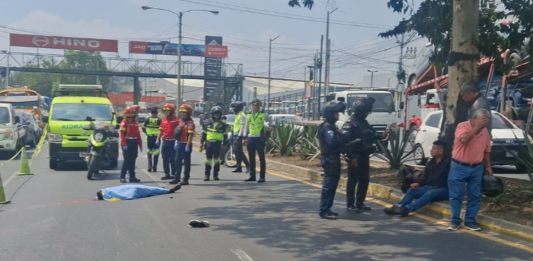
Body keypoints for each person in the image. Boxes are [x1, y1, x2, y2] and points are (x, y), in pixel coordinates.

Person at [447, 109, 492, 231]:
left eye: (487, 120)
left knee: (475, 195)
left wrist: (488, 166)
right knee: (456, 195)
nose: (486, 122)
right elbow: (464, 139)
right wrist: (477, 128)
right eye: (483, 119)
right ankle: (455, 221)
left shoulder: (485, 131)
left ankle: (470, 221)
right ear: (474, 118)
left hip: (476, 167)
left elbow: (486, 150)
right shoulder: (462, 126)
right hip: (459, 166)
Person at [384, 140, 450, 216]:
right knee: (412, 190)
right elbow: (425, 178)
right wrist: (418, 183)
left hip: (444, 189)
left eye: (434, 148)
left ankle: (407, 209)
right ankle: (398, 206)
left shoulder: (448, 163)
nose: (431, 150)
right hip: (429, 187)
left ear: (440, 151)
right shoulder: (430, 163)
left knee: (431, 193)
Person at [342, 97, 379, 212]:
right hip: (355, 156)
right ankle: (350, 204)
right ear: (361, 111)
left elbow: (371, 134)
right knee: (353, 181)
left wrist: (382, 135)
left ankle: (360, 203)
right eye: (366, 111)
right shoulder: (350, 124)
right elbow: (346, 143)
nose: (368, 114)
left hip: (364, 155)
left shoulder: (364, 122)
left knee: (364, 180)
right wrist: (351, 157)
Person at [318, 101, 347, 219]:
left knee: (333, 185)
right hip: (329, 159)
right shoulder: (327, 128)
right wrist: (344, 137)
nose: (338, 116)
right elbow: (333, 142)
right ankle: (324, 210)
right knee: (328, 185)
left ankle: (328, 208)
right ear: (330, 114)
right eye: (336, 113)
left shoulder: (331, 127)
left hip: (333, 158)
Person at [170, 104, 195, 185]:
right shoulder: (180, 121)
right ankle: (176, 178)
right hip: (179, 143)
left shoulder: (190, 122)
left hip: (186, 144)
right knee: (177, 161)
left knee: (186, 162)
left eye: (184, 112)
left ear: (188, 113)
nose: (182, 114)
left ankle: (185, 179)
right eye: (181, 112)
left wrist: (188, 145)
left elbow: (190, 134)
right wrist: (176, 142)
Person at [201, 106, 228, 181]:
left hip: (218, 144)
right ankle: (207, 175)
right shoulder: (207, 123)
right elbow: (204, 134)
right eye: (215, 114)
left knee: (216, 160)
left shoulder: (223, 124)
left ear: (220, 114)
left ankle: (215, 175)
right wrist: (201, 142)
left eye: (218, 114)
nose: (216, 115)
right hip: (209, 143)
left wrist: (225, 143)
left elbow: (225, 135)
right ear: (212, 114)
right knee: (208, 160)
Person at [244, 99, 268, 183]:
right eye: (254, 105)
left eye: (257, 105)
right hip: (251, 138)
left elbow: (267, 123)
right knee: (251, 158)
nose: (255, 107)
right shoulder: (248, 115)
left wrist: (269, 127)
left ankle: (262, 177)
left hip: (259, 138)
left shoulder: (263, 114)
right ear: (251, 106)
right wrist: (244, 138)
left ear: (260, 106)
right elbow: (246, 127)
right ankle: (252, 176)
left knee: (262, 158)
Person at [119, 105, 143, 183]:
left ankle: (132, 177)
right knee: (127, 160)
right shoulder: (124, 123)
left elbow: (138, 134)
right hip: (127, 142)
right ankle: (122, 176)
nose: (131, 117)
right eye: (130, 115)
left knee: (133, 160)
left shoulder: (135, 123)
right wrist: (124, 144)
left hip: (134, 142)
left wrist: (140, 144)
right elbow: (122, 135)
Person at [158, 103, 180, 180]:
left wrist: (178, 141)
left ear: (171, 111)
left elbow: (180, 131)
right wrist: (158, 139)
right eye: (165, 111)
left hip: (173, 142)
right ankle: (166, 173)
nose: (166, 112)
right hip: (165, 141)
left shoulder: (176, 120)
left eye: (168, 111)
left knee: (173, 158)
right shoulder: (164, 119)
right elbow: (161, 130)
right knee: (165, 158)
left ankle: (174, 173)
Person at [96, 184, 181, 201]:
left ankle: (162, 190)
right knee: (146, 190)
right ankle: (167, 191)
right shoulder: (107, 192)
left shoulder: (107, 191)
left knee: (147, 190)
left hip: (128, 188)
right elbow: (122, 195)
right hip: (131, 190)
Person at [230, 101, 250, 173]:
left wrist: (240, 136)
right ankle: (239, 167)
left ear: (238, 107)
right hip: (235, 135)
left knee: (239, 152)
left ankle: (248, 166)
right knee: (236, 152)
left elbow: (242, 126)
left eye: (234, 107)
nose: (233, 109)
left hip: (239, 135)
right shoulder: (238, 115)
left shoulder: (242, 115)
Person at [143, 107, 161, 172]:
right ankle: (154, 167)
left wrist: (147, 133)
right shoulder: (159, 120)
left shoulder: (148, 119)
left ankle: (149, 166)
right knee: (156, 153)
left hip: (149, 137)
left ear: (151, 113)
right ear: (157, 113)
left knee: (149, 152)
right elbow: (162, 130)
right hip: (157, 138)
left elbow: (143, 127)